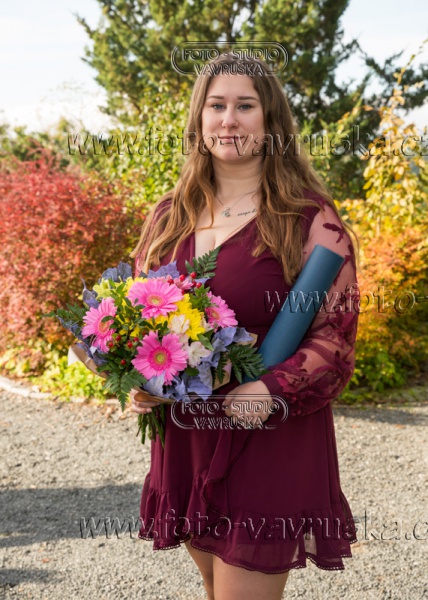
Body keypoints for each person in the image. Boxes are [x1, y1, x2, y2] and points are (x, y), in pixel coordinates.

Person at [129, 54, 360, 600]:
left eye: (245, 105)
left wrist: (271, 389)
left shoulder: (308, 219)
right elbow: (140, 317)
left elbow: (336, 339)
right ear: (199, 118)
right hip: (187, 436)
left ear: (271, 119)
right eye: (216, 105)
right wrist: (143, 377)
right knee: (215, 589)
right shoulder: (169, 216)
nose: (228, 119)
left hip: (267, 435)